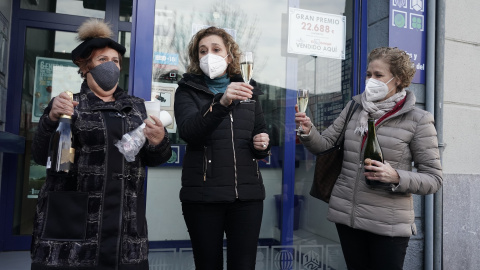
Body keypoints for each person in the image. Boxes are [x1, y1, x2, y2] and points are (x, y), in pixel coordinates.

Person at [30, 19, 172, 270]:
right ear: (85, 66)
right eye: (102, 60)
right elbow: (42, 156)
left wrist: (159, 141)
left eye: (115, 61)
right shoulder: (67, 103)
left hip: (124, 227)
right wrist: (51, 118)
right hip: (73, 225)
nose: (111, 66)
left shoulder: (138, 107)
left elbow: (155, 158)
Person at [295, 47, 443, 270]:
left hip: (388, 225)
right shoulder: (354, 107)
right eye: (368, 74)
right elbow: (324, 145)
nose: (371, 80)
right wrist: (308, 131)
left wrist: (395, 176)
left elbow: (434, 179)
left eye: (378, 75)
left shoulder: (418, 119)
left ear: (399, 79)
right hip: (349, 217)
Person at [174, 26, 271, 270]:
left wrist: (262, 145)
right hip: (204, 197)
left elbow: (260, 135)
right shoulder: (187, 91)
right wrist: (222, 102)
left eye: (216, 49)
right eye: (203, 51)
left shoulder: (250, 91)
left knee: (244, 265)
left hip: (246, 197)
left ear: (229, 56)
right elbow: (189, 133)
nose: (209, 56)